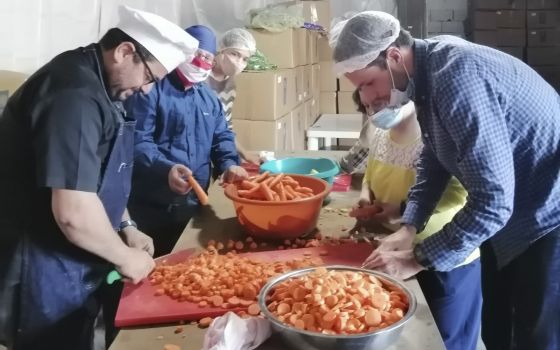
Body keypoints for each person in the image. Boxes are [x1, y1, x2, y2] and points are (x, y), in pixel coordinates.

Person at [331, 11, 560, 350]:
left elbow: (494, 201)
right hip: (508, 217)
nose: (366, 99)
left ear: (394, 56)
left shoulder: (456, 77)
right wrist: (409, 227)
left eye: (367, 84)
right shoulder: (423, 76)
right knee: (497, 327)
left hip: (546, 216)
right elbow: (436, 159)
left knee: (534, 335)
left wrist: (417, 258)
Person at [0, 6, 198, 350]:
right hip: (42, 262)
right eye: (150, 77)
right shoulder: (72, 95)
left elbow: (101, 172)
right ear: (125, 52)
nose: (148, 90)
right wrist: (125, 258)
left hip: (77, 254)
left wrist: (127, 227)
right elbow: (73, 212)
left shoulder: (107, 83)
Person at [349, 90, 481, 350]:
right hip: (392, 249)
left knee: (445, 336)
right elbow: (370, 173)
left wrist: (400, 209)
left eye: (379, 103)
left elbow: (459, 193)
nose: (373, 113)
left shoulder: (435, 137)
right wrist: (366, 194)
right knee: (407, 334)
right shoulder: (378, 133)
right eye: (367, 107)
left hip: (445, 256)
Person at [125, 25, 247, 257]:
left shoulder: (208, 99)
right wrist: (165, 169)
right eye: (197, 54)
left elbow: (221, 136)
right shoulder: (151, 91)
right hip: (154, 205)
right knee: (156, 264)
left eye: (208, 57)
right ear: (181, 53)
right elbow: (138, 142)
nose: (202, 62)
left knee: (190, 262)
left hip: (196, 203)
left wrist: (229, 164)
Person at [207, 28, 261, 165]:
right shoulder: (201, 78)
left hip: (218, 148)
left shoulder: (230, 83)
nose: (238, 61)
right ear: (221, 49)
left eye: (245, 58)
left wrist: (243, 153)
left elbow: (225, 125)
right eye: (234, 54)